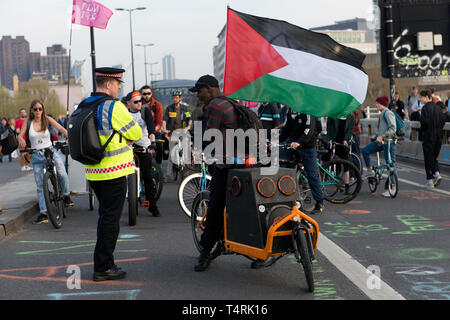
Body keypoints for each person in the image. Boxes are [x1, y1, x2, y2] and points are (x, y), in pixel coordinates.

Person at [78, 67, 142, 281]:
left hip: (93, 171)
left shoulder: (84, 104)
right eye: (117, 84)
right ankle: (103, 267)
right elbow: (136, 133)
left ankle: (103, 262)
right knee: (111, 220)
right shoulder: (113, 107)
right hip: (113, 171)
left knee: (105, 216)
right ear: (108, 84)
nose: (118, 88)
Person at [188, 75, 239, 272]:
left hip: (226, 165)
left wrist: (196, 153)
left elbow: (209, 135)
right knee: (248, 206)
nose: (198, 95)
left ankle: (205, 252)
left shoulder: (215, 106)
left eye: (199, 91)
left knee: (216, 207)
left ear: (209, 88)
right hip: (245, 164)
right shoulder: (231, 102)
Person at [18, 100, 74, 224]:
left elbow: (60, 128)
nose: (38, 111)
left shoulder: (47, 119)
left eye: (40, 109)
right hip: (36, 155)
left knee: (62, 174)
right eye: (35, 109)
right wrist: (20, 138)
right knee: (40, 185)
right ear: (31, 110)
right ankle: (43, 213)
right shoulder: (28, 122)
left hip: (50, 152)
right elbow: (20, 134)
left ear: (43, 110)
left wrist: (69, 136)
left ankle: (66, 195)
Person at [280, 108, 324, 214]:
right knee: (283, 167)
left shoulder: (308, 110)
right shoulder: (289, 110)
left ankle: (319, 202)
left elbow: (309, 130)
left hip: (307, 144)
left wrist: (299, 142)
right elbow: (286, 128)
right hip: (293, 142)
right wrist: (276, 140)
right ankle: (287, 199)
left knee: (312, 174)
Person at [125, 91, 160, 217]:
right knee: (127, 176)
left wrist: (152, 144)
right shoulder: (124, 115)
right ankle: (132, 202)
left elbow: (151, 130)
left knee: (148, 176)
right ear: (128, 103)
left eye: (141, 101)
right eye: (136, 101)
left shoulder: (145, 112)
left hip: (144, 147)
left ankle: (152, 205)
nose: (139, 103)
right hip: (128, 148)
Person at [361, 96, 397, 197]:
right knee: (365, 151)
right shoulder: (382, 114)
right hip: (382, 142)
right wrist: (377, 136)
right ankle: (369, 171)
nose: (376, 105)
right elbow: (383, 129)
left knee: (391, 165)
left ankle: (393, 188)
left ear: (382, 104)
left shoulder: (388, 113)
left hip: (389, 142)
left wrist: (382, 136)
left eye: (377, 103)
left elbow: (393, 128)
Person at [162, 91, 192, 180]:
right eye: (174, 97)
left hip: (183, 132)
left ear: (180, 98)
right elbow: (165, 120)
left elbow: (189, 119)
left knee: (186, 153)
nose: (175, 99)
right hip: (173, 133)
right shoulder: (169, 108)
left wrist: (188, 126)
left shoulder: (185, 108)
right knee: (171, 155)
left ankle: (186, 175)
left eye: (177, 97)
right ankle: (168, 176)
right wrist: (164, 129)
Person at [419, 90, 446, 188]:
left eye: (421, 97)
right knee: (434, 156)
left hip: (429, 136)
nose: (419, 99)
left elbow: (424, 123)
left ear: (426, 97)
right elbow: (443, 121)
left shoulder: (425, 108)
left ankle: (430, 181)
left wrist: (422, 132)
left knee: (428, 157)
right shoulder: (438, 108)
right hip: (439, 136)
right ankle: (437, 173)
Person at [326, 114, 355, 194]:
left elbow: (350, 130)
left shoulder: (350, 117)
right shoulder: (333, 115)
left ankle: (347, 186)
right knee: (332, 163)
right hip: (334, 142)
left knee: (346, 166)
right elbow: (329, 127)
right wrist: (329, 138)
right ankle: (336, 183)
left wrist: (346, 139)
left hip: (344, 144)